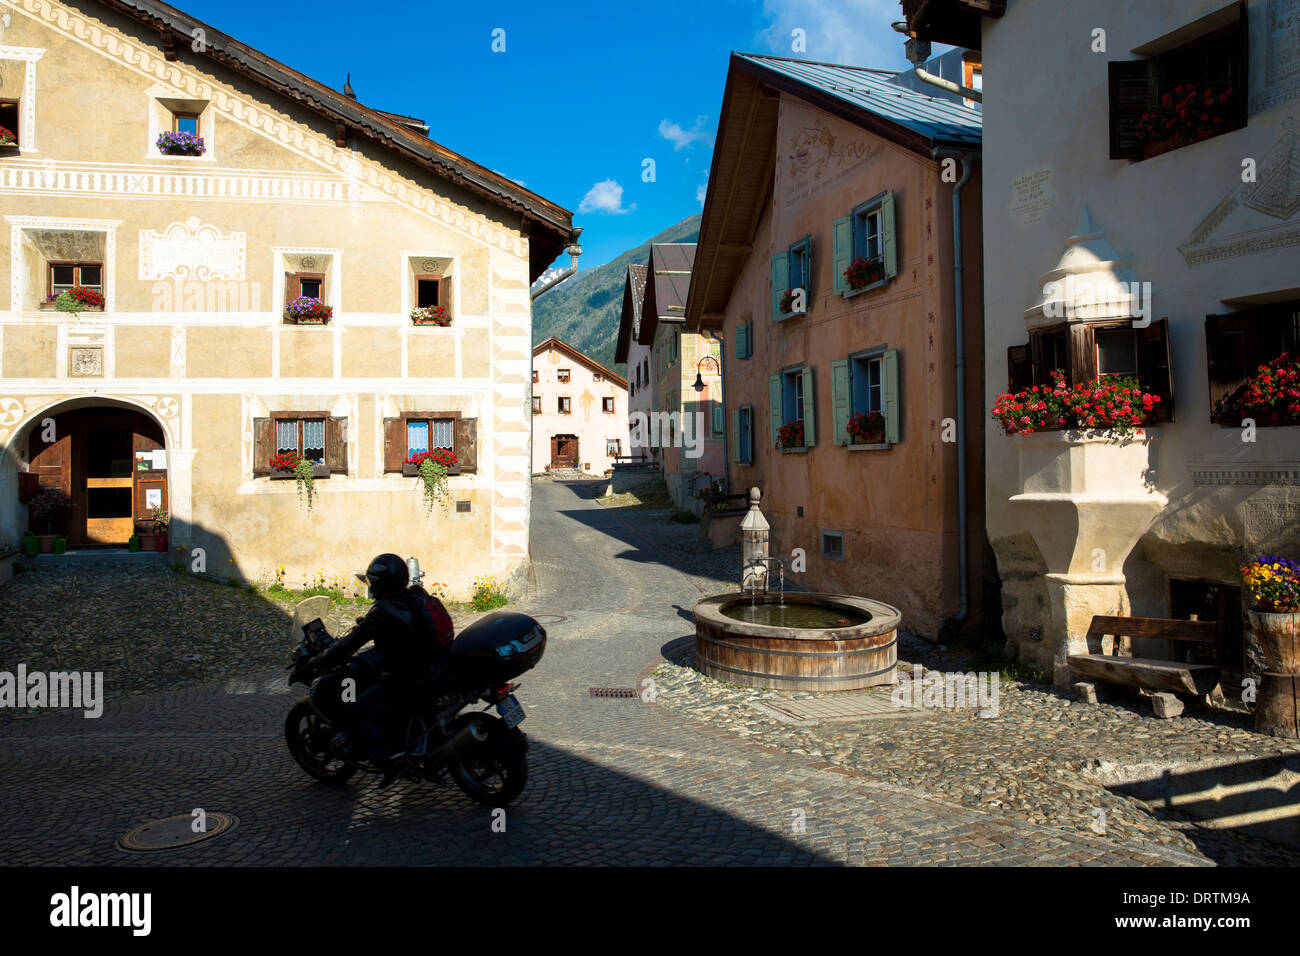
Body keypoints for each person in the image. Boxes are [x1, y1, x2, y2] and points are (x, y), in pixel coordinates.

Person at [298, 553, 454, 779]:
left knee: (355, 710)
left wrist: (316, 663)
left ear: (379, 583)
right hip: (435, 668)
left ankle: (389, 760)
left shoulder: (384, 611)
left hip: (409, 679)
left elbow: (349, 644)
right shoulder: (418, 596)